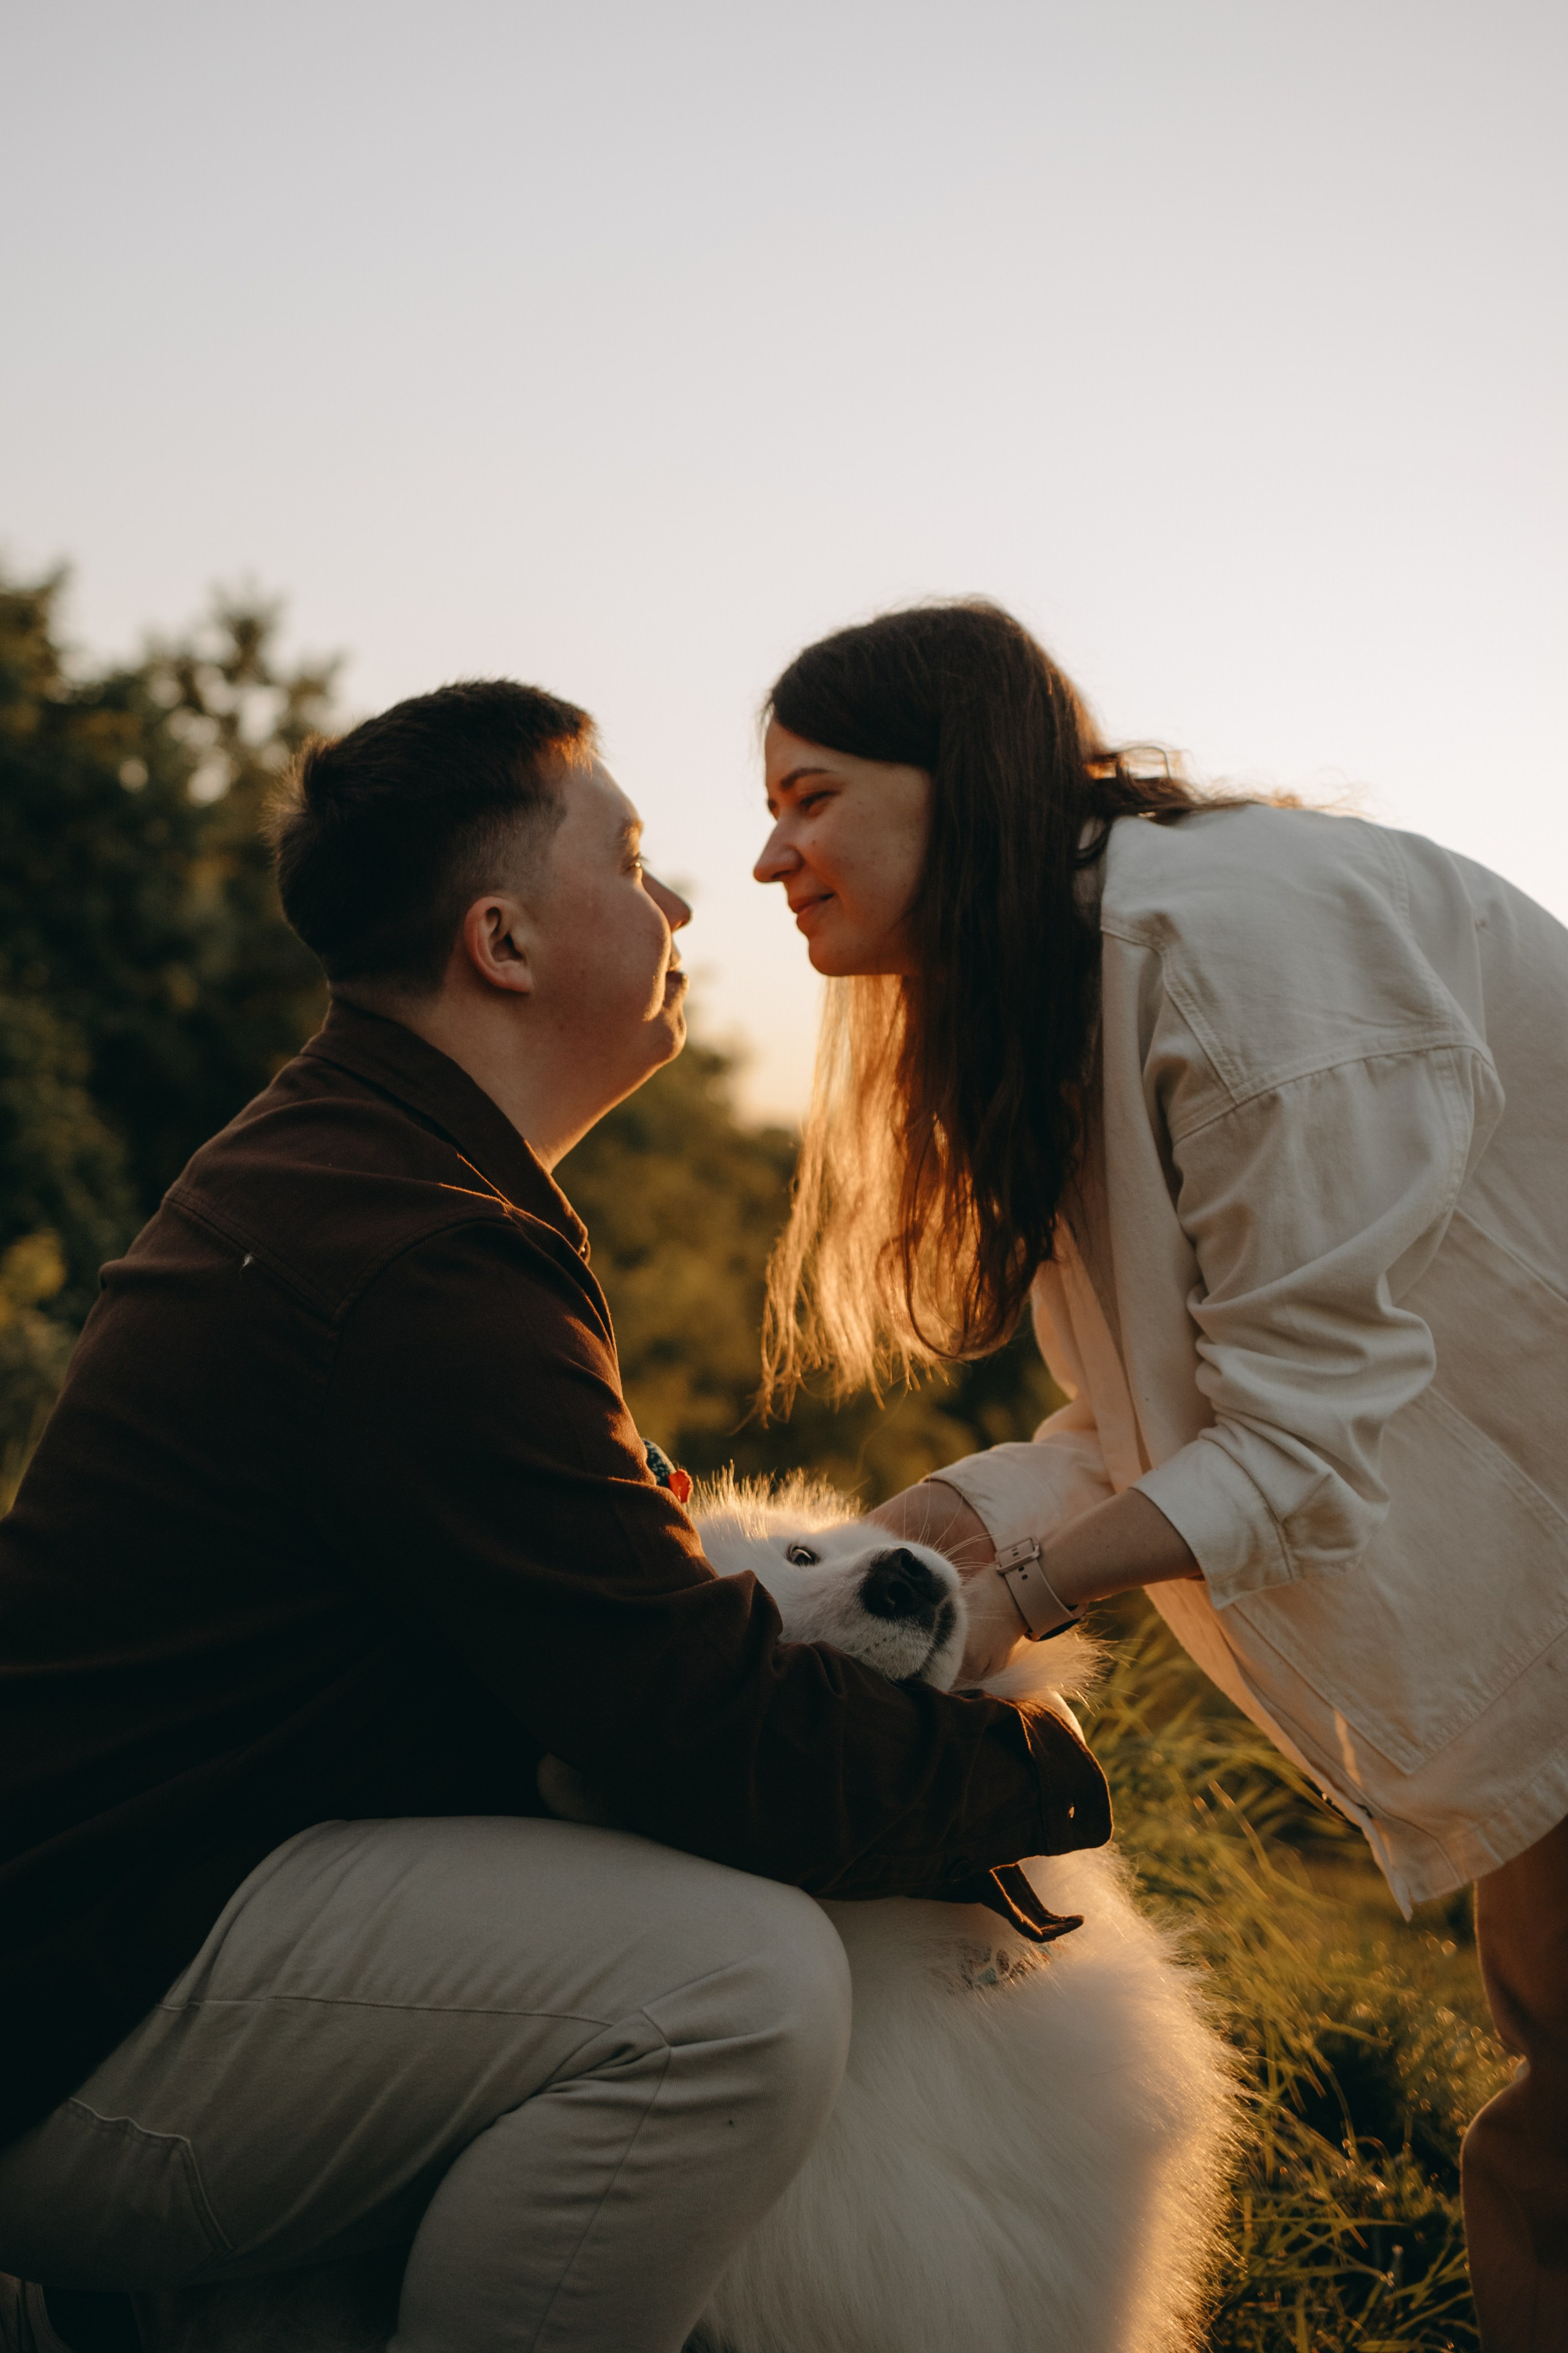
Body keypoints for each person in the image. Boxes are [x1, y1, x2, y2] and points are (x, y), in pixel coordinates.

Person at [0, 679, 1110, 2353]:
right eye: (635, 861)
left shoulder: (359, 1165)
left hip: (114, 1936)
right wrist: (1036, 1776)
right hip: (79, 2032)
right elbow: (697, 1730)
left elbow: (604, 1650)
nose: (684, 905)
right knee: (735, 1988)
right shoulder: (418, 1254)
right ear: (503, 942)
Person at [752, 601, 1568, 2353]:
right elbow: (1176, 1415)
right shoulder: (1089, 981)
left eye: (811, 799)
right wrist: (954, 1528)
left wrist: (1012, 1596)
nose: (770, 858)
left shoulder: (1242, 955)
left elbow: (1301, 1443)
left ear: (960, 778)